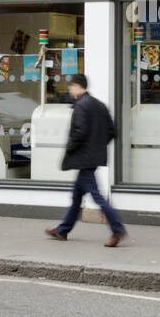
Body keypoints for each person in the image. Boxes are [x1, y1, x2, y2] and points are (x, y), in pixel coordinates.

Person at [46, 74, 128, 247]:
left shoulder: (82, 106)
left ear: (77, 86)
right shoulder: (99, 105)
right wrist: (98, 146)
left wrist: (70, 149)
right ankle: (63, 230)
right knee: (77, 197)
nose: (69, 89)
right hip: (92, 157)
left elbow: (79, 132)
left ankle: (117, 229)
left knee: (97, 197)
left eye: (70, 86)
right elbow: (112, 131)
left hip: (84, 159)